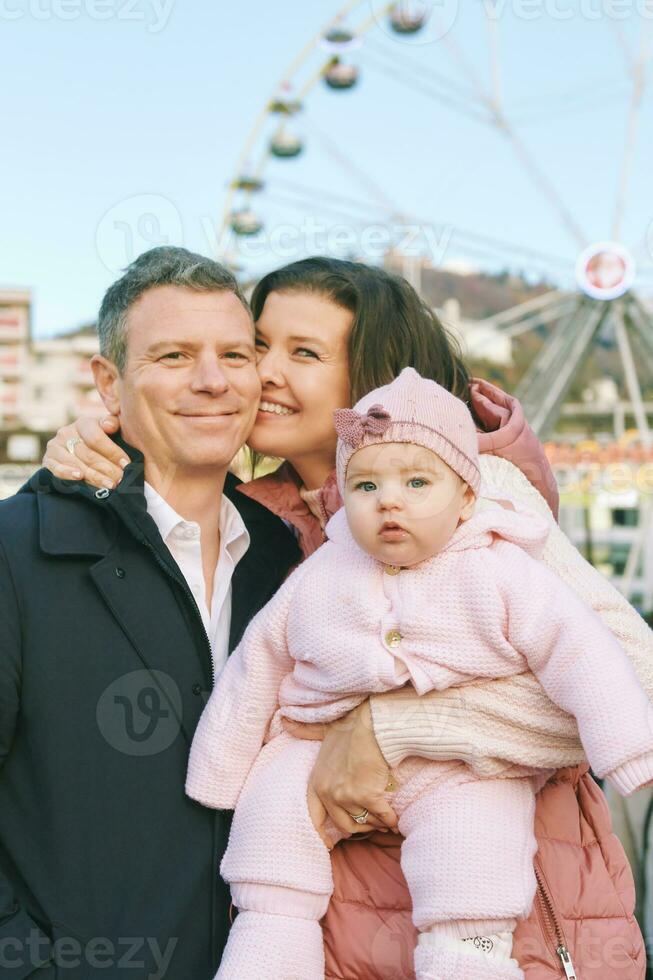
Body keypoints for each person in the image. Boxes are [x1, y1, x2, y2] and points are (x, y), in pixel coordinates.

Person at [42, 257, 651, 978]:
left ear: (372, 381)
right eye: (257, 346)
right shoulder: (251, 521)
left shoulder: (472, 493)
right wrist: (96, 446)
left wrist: (386, 731)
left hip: (503, 921)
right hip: (337, 933)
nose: (264, 373)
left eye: (303, 354)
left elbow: (627, 677)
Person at [186, 368, 653, 980]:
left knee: (475, 848)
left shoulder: (501, 567)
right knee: (271, 824)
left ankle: (469, 959)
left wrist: (630, 748)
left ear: (466, 497)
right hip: (311, 745)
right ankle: (270, 943)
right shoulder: (322, 570)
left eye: (415, 483)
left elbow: (582, 652)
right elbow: (257, 663)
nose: (390, 501)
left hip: (463, 768)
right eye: (366, 486)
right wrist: (219, 774)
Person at [0, 247, 300, 978]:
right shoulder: (17, 553)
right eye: (173, 355)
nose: (211, 380)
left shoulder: (284, 561)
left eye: (234, 354)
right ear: (108, 382)